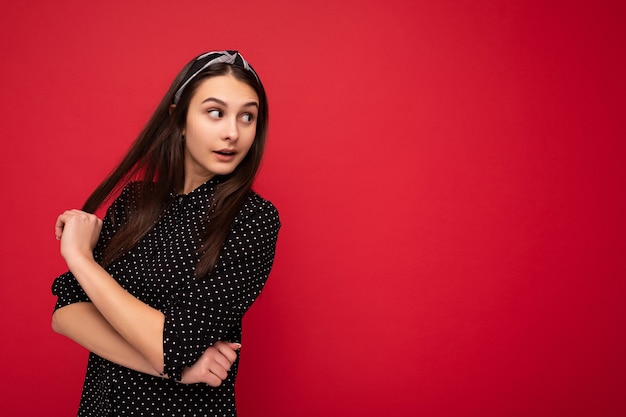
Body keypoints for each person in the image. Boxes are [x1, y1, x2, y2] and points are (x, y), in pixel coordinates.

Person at [51, 50, 280, 416]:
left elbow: (174, 345)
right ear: (181, 119)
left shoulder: (252, 219)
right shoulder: (134, 202)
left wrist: (81, 259)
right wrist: (179, 372)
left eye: (247, 117)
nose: (233, 132)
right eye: (215, 112)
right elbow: (66, 314)